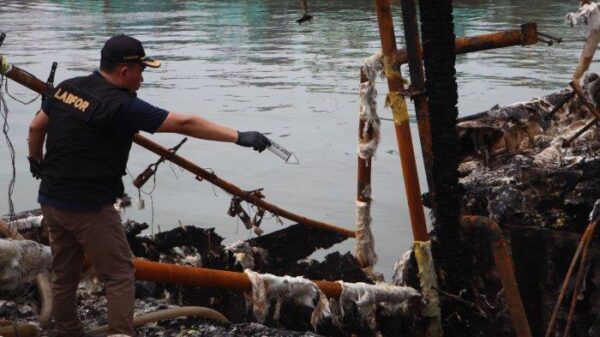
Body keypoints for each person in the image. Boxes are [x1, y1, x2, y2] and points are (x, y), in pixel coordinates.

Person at [27, 34, 271, 337]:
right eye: (141, 71)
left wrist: (36, 162)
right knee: (118, 275)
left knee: (65, 272)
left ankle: (67, 330)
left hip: (51, 198)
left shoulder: (67, 87)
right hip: (89, 206)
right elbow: (185, 124)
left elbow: (36, 127)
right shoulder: (122, 106)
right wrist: (239, 136)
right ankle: (120, 332)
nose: (143, 78)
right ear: (124, 72)